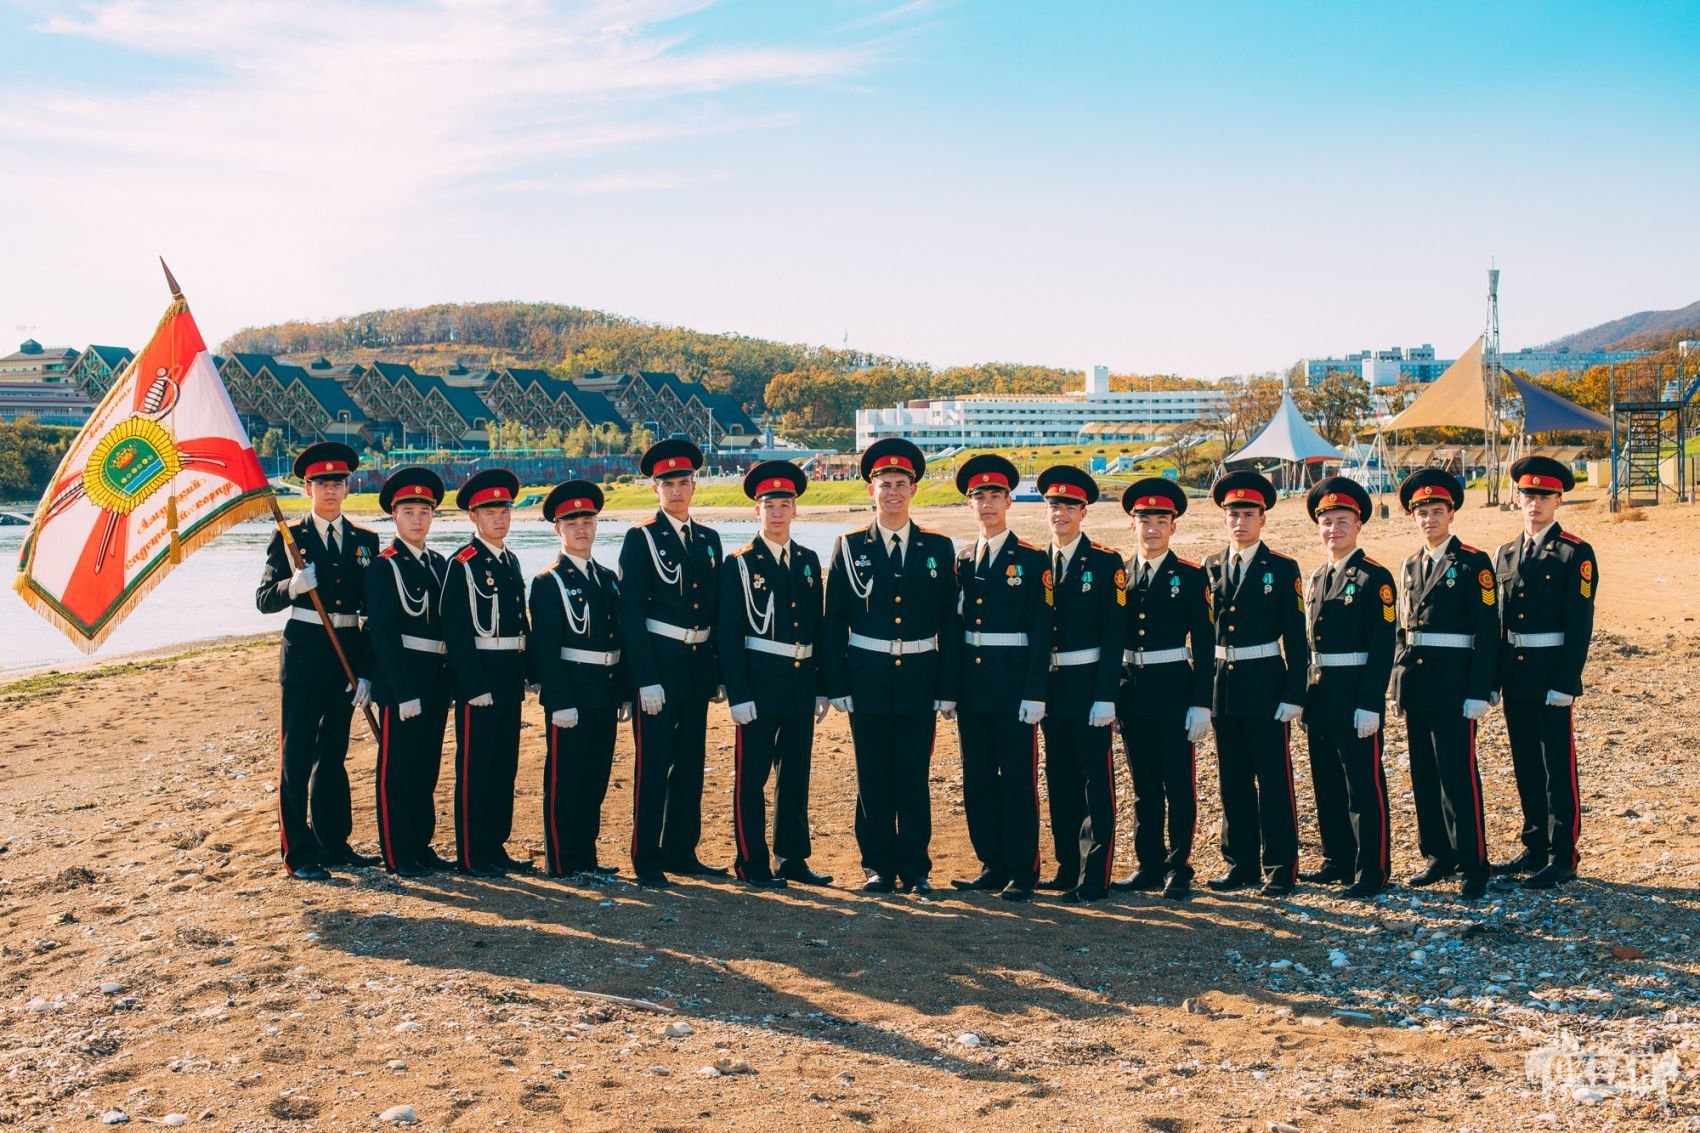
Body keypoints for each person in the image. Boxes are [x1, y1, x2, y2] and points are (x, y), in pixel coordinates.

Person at [821, 438, 960, 895]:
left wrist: (947, 685)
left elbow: (950, 623)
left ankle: (915, 867)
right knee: (873, 776)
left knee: (914, 776)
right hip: (867, 677)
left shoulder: (938, 547)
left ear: (914, 489)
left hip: (920, 675)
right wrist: (836, 683)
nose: (893, 492)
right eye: (885, 484)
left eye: (901, 484)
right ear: (871, 490)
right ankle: (878, 865)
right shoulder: (848, 546)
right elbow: (833, 620)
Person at [255, 441, 380, 881]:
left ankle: (333, 843)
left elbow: (372, 613)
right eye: (321, 482)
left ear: (348, 487)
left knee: (333, 755)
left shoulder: (366, 541)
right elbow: (263, 600)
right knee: (297, 757)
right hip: (305, 658)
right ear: (308, 488)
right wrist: (291, 586)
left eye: (337, 482)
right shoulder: (290, 537)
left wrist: (366, 671)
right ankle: (298, 852)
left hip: (346, 657)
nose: (330, 489)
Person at [719, 460, 833, 889]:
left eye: (785, 504)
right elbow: (729, 635)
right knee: (752, 778)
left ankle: (792, 858)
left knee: (795, 775)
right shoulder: (739, 564)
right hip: (758, 683)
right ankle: (752, 863)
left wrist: (822, 685)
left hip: (800, 682)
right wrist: (738, 693)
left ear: (795, 510)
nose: (778, 512)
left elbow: (818, 625)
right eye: (769, 505)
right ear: (757, 510)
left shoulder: (807, 560)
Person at [619, 439, 725, 886]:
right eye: (668, 484)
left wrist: (718, 672)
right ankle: (647, 859)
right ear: (655, 489)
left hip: (696, 667)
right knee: (653, 765)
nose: (676, 491)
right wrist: (644, 678)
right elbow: (630, 614)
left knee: (690, 764)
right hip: (659, 668)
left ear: (694, 486)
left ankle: (682, 851)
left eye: (683, 482)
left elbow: (716, 610)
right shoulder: (641, 538)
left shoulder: (709, 540)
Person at [1492, 455, 1598, 890]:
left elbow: (1580, 624)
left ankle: (1562, 855)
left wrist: (1566, 681)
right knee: (1526, 763)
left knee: (1557, 765)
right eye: (1527, 495)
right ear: (1517, 498)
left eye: (1543, 496)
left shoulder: (1574, 552)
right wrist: (1493, 679)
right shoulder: (1505, 553)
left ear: (1558, 501)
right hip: (1516, 673)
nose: (1534, 503)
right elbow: (1499, 622)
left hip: (1551, 671)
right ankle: (1535, 845)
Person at [949, 454, 1052, 902]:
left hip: (1013, 688)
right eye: (979, 496)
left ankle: (1022, 869)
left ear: (1009, 501)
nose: (987, 504)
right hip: (973, 689)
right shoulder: (963, 559)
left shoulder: (1031, 558)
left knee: (1017, 780)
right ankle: (991, 862)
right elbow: (955, 630)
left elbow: (1042, 630)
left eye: (995, 495)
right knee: (977, 778)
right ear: (970, 504)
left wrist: (1035, 691)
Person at [1390, 468, 1497, 901]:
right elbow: (1403, 629)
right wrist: (1398, 682)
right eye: (1421, 512)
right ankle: (1438, 854)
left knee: (1458, 776)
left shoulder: (1473, 562)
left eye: (1437, 511)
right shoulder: (1410, 564)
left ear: (1451, 513)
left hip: (1455, 685)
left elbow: (1487, 630)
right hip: (1418, 684)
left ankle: (1474, 863)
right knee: (1424, 775)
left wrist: (1480, 689)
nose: (1429, 519)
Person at [1203, 470, 1306, 897]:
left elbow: (1296, 638)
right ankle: (1240, 863)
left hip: (1266, 685)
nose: (1240, 522)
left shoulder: (1281, 568)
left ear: (1263, 518)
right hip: (1224, 687)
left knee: (1274, 780)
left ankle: (1280, 867)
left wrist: (1295, 693)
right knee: (1232, 780)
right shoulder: (1211, 566)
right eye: (1233, 514)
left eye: (1248, 514)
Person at [1112, 477, 1213, 901]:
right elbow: (1112, 640)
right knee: (1143, 787)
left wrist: (1202, 703)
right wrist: (1112, 698)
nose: (1151, 529)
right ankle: (1148, 864)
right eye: (1144, 521)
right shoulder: (1120, 575)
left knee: (1178, 785)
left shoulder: (1190, 576)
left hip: (1174, 691)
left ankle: (1178, 867)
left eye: (1160, 521)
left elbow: (1205, 645)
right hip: (1132, 693)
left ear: (1173, 526)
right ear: (1132, 525)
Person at [1299, 476, 1397, 900]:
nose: (1333, 529)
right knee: (1327, 784)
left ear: (1358, 525)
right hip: (1321, 695)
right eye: (1326, 522)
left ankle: (1371, 869)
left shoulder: (1375, 576)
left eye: (1342, 521)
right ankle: (1337, 858)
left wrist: (1372, 701)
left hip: (1356, 694)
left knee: (1363, 786)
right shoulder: (1318, 577)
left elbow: (1383, 645)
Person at [1034, 465, 1125, 904]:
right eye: (1055, 506)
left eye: (1070, 506)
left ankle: (1095, 875)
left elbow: (1114, 634)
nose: (1061, 513)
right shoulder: (1036, 562)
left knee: (1095, 784)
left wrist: (1107, 695)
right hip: (1051, 689)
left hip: (1089, 686)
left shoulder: (1105, 563)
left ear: (1084, 512)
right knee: (1060, 780)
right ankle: (1067, 866)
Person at [529, 480, 629, 880]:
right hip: (572, 691)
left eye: (587, 521)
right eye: (572, 523)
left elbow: (618, 638)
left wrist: (623, 691)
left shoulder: (607, 578)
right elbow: (545, 648)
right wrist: (559, 700)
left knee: (595, 778)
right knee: (564, 779)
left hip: (604, 690)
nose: (581, 529)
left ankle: (586, 855)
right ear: (558, 529)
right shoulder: (548, 581)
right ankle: (562, 860)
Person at [441, 468, 533, 877]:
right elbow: (456, 631)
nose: (500, 518)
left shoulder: (511, 561)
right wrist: (471, 684)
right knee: (475, 768)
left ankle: (495, 846)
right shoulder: (463, 563)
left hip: (509, 676)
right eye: (490, 512)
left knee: (503, 767)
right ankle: (471, 854)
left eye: (505, 510)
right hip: (479, 679)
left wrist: (530, 671)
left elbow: (520, 622)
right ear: (473, 517)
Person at [364, 467, 452, 878]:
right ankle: (398, 854)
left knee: (426, 768)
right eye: (408, 512)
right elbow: (382, 635)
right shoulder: (384, 566)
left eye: (424, 512)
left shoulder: (439, 564)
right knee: (397, 771)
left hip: (435, 679)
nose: (417, 520)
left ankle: (420, 845)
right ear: (394, 516)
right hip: (403, 682)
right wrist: (402, 691)